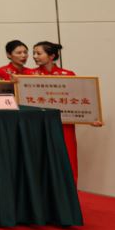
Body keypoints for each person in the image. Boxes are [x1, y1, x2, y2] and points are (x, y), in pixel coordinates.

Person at [26, 40, 97, 180]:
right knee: (39, 158)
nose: (34, 56)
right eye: (34, 53)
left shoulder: (67, 74)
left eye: (38, 53)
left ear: (51, 56)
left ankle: (69, 191)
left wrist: (92, 118)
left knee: (68, 156)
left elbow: (79, 100)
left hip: (64, 123)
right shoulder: (28, 75)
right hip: (38, 124)